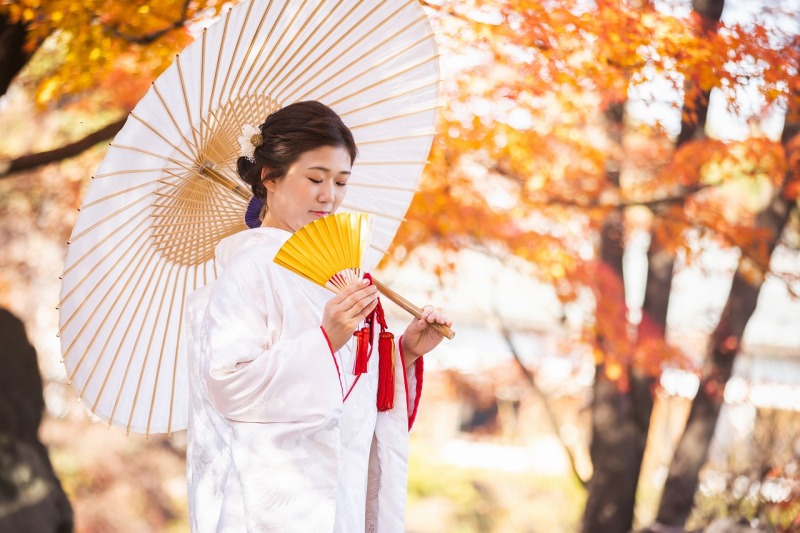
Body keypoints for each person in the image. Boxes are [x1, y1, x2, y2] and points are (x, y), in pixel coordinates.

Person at [185, 101, 451, 533]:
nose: (330, 196)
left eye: (341, 181)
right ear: (270, 177)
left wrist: (400, 354)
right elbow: (229, 384)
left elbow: (352, 387)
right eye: (315, 179)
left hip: (338, 485)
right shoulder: (249, 268)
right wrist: (325, 339)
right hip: (275, 499)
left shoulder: (333, 271)